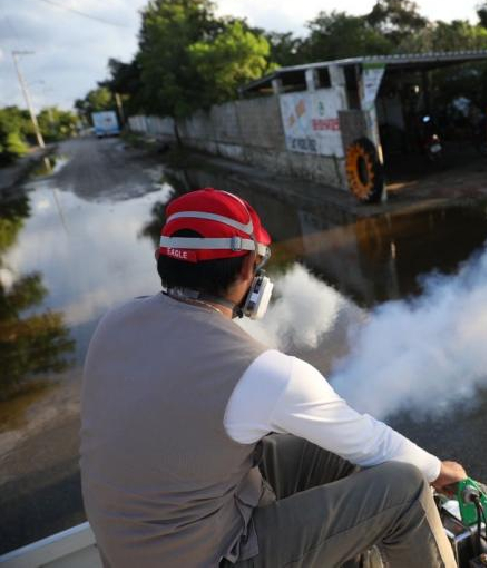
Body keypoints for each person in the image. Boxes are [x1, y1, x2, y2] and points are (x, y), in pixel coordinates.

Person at [79, 188, 466, 568]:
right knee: (406, 489)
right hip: (211, 557)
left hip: (130, 553)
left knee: (327, 449)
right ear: (248, 268)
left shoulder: (115, 322)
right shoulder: (258, 370)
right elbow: (369, 441)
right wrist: (437, 470)